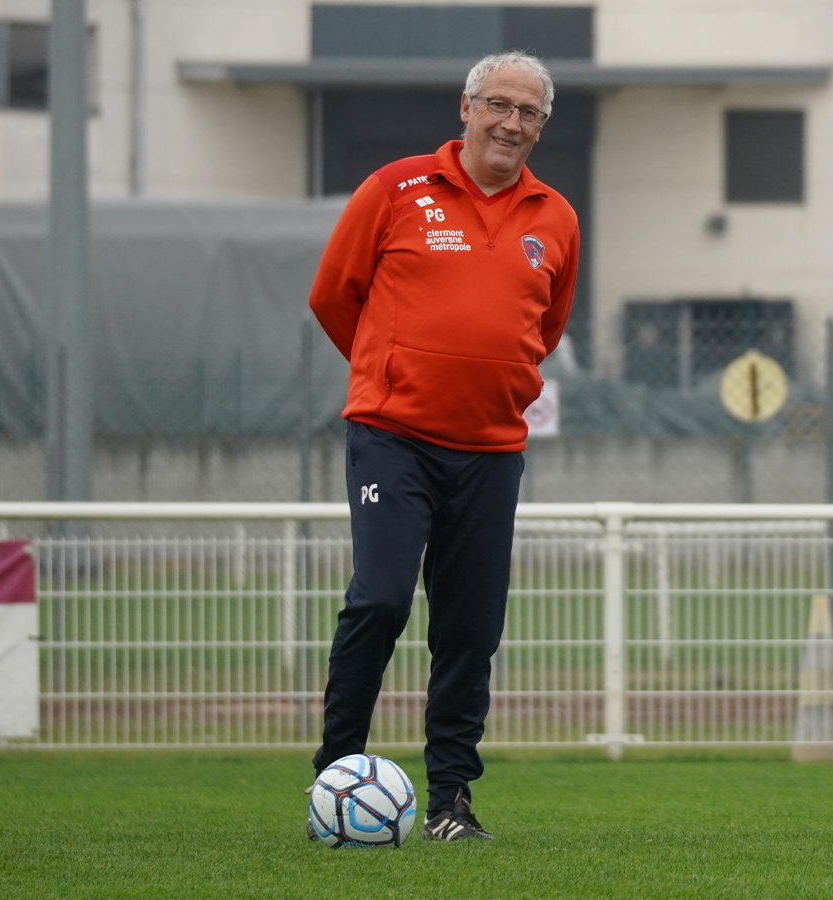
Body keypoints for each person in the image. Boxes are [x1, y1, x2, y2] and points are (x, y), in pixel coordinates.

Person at [306, 50, 579, 841]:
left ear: (540, 126)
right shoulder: (394, 189)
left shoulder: (555, 216)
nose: (512, 123)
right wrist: (390, 371)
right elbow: (333, 296)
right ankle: (336, 776)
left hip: (492, 451)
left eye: (529, 113)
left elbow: (544, 328)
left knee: (469, 629)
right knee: (382, 599)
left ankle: (451, 803)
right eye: (498, 105)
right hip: (392, 438)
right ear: (466, 108)